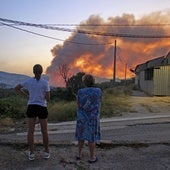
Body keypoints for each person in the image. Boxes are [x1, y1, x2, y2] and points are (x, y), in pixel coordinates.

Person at [15, 64, 50, 161]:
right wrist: (43, 97)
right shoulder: (45, 83)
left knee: (30, 131)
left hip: (31, 107)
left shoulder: (29, 81)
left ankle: (31, 153)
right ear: (42, 71)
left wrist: (26, 96)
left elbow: (16, 88)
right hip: (42, 107)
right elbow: (48, 98)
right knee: (44, 131)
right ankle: (46, 152)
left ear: (33, 72)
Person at [75, 74, 102, 163]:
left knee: (81, 136)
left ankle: (79, 154)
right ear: (93, 81)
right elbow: (99, 101)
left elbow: (78, 104)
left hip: (82, 118)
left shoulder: (80, 92)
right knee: (91, 138)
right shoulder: (98, 91)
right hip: (92, 118)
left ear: (84, 82)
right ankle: (91, 157)